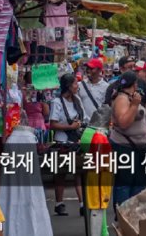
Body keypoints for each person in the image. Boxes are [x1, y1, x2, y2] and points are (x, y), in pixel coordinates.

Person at [110, 72, 146, 206]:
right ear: (134, 84)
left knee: (138, 184)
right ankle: (123, 213)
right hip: (125, 147)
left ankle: (133, 213)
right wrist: (134, 105)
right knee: (125, 183)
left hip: (137, 148)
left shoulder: (130, 97)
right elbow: (123, 123)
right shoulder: (122, 99)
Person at [48, 74, 84, 216]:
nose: (77, 86)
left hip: (76, 141)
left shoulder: (77, 100)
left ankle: (82, 204)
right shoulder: (56, 102)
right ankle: (59, 203)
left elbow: (84, 118)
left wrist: (80, 126)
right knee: (61, 173)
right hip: (62, 142)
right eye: (75, 84)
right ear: (68, 86)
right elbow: (52, 124)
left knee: (78, 172)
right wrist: (70, 127)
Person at [80, 105, 113, 236]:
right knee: (99, 206)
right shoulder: (99, 137)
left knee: (98, 206)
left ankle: (102, 231)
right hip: (99, 177)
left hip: (96, 174)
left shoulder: (91, 134)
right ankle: (102, 232)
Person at [78, 58, 110, 124]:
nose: (88, 70)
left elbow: (108, 107)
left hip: (98, 124)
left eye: (91, 68)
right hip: (83, 124)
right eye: (87, 68)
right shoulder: (80, 85)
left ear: (99, 70)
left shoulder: (106, 87)